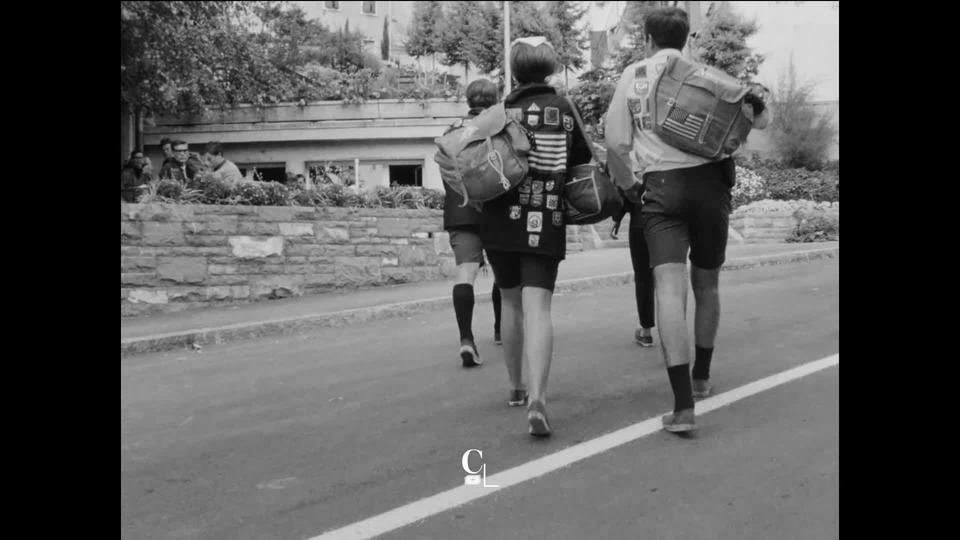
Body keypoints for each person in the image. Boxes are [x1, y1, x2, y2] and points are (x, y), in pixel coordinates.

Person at [604, 7, 770, 433]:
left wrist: (630, 189)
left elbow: (616, 143)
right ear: (687, 39)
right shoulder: (705, 75)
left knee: (668, 288)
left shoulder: (634, 76)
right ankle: (702, 378)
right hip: (712, 187)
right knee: (707, 282)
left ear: (647, 39)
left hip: (661, 189)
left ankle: (682, 407)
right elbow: (757, 119)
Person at [480, 37, 592, 437]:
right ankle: (538, 399)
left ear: (514, 70)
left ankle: (515, 387)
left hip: (499, 220)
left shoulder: (500, 111)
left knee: (509, 302)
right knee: (539, 307)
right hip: (546, 217)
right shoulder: (564, 109)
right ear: (549, 66)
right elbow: (581, 162)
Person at [442, 79, 505, 369]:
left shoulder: (452, 132)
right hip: (494, 211)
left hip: (461, 212)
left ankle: (466, 339)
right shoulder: (496, 129)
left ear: (468, 100)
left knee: (465, 274)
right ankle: (501, 329)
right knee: (503, 274)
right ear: (494, 101)